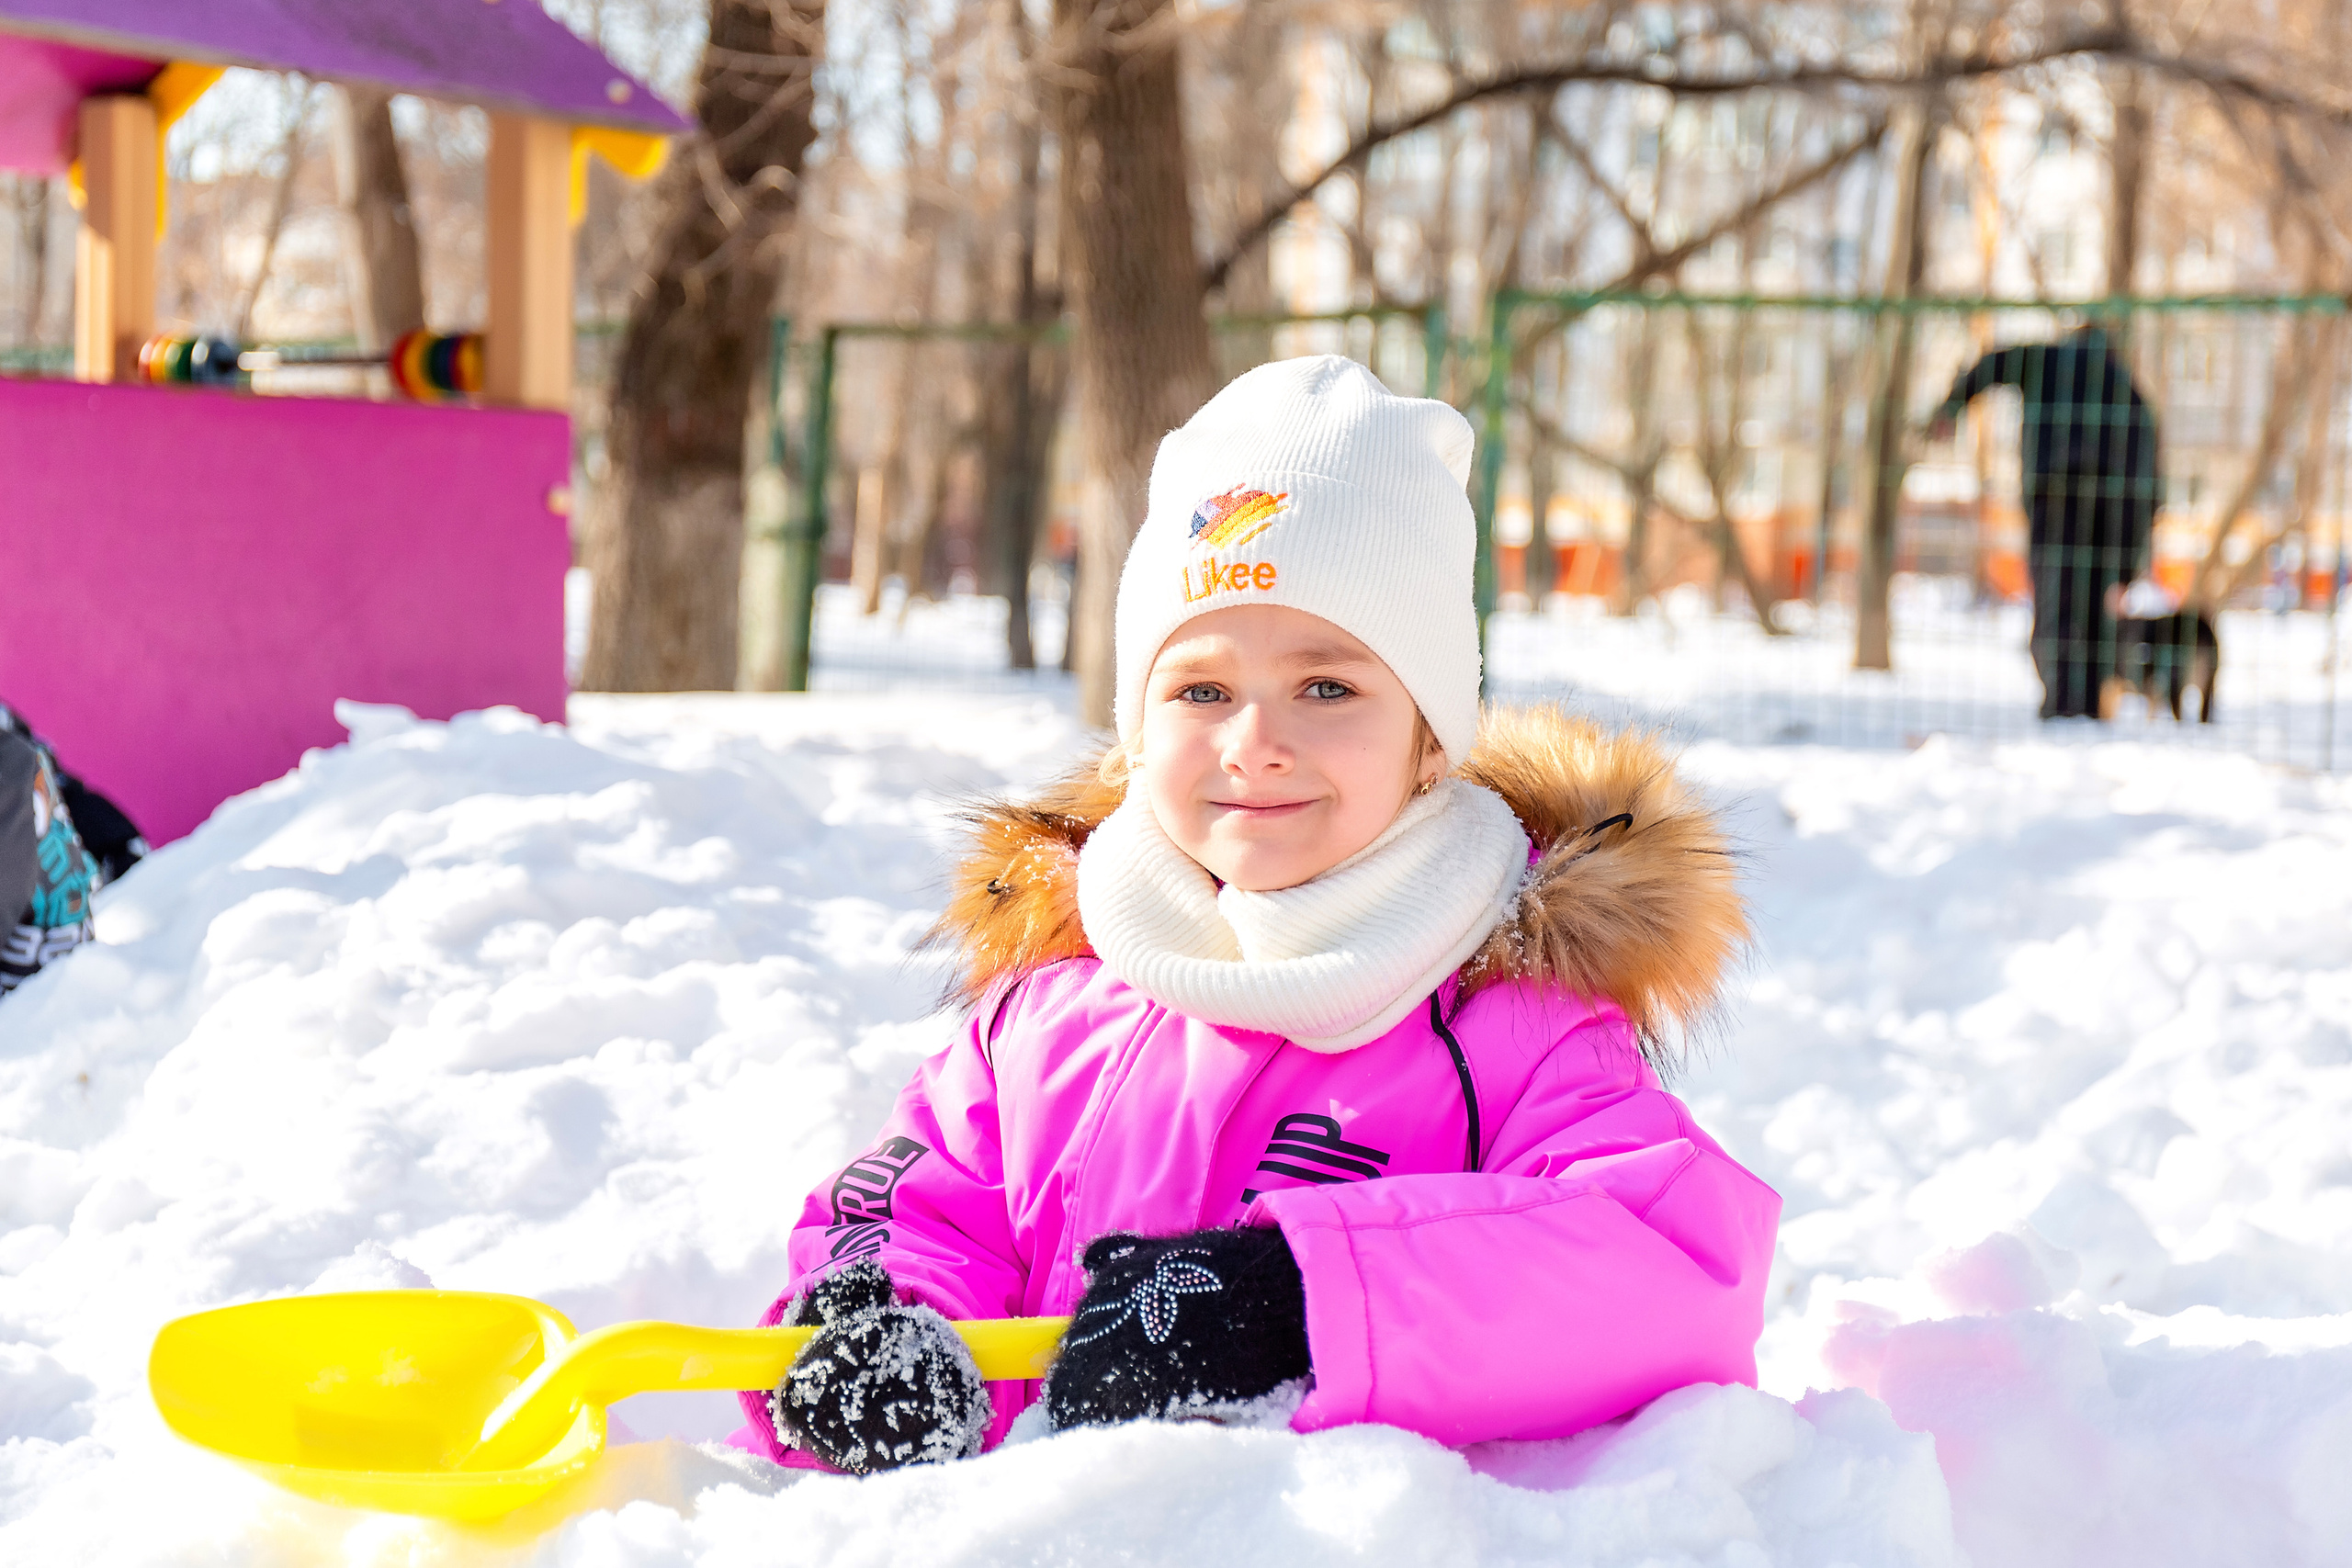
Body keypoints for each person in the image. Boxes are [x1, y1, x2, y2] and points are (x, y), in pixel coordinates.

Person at [731, 356, 1779, 1473]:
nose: (1253, 743)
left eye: (1327, 688)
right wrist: (867, 1330)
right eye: (1201, 691)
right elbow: (922, 1209)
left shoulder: (1511, 1027)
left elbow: (1670, 1265)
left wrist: (1296, 1306)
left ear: (1432, 741)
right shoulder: (1047, 1010)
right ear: (1138, 722)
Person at [1927, 321, 2160, 719]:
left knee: (2055, 601)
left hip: (2052, 498)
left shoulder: (2045, 359)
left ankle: (2058, 699)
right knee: (2094, 612)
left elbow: (1991, 364)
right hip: (2111, 513)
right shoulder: (2131, 393)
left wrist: (1952, 406)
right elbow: (2150, 487)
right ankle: (2086, 704)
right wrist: (2129, 565)